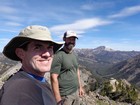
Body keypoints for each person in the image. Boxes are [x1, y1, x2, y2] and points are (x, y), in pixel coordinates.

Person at [0, 25, 64, 105]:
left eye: (49, 48)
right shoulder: (20, 90)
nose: (47, 54)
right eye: (37, 47)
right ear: (20, 53)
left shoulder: (37, 80)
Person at [50, 30, 84, 105]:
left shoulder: (73, 54)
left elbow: (76, 70)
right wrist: (58, 99)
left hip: (75, 92)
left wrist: (80, 87)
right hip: (65, 96)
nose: (72, 41)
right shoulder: (59, 55)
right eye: (69, 39)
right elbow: (53, 77)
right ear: (64, 39)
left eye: (73, 39)